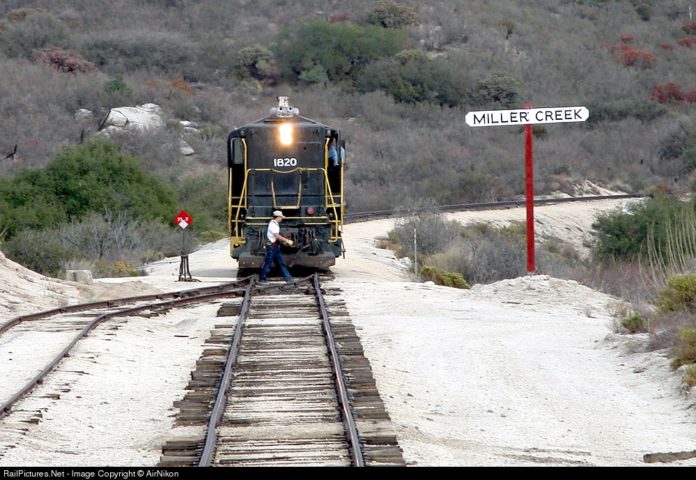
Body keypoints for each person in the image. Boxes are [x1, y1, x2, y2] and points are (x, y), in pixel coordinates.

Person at [258, 210, 294, 284]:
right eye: (281, 217)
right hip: (272, 247)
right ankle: (262, 279)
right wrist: (286, 240)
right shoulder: (273, 224)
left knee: (281, 263)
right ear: (278, 217)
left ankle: (288, 278)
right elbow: (276, 235)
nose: (282, 219)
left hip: (275, 247)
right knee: (268, 263)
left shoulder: (275, 224)